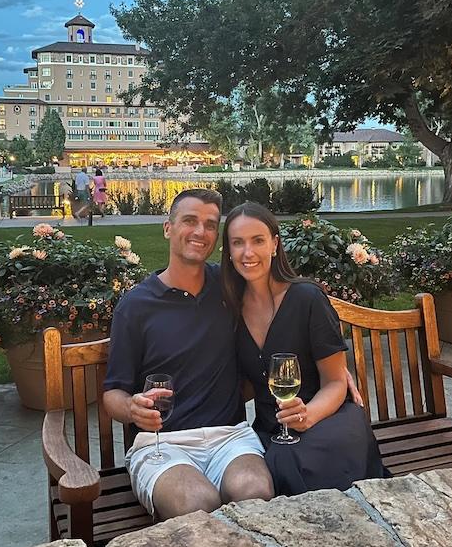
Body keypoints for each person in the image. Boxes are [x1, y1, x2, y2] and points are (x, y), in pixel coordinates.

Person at [103, 189, 274, 520]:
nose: (200, 232)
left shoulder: (229, 285)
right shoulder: (136, 307)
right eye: (190, 221)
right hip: (162, 444)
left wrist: (332, 368)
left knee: (256, 493)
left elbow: (282, 302)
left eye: (210, 225)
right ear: (168, 227)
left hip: (230, 437)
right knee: (195, 504)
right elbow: (113, 394)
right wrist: (132, 408)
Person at [221, 202, 388, 496]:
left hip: (328, 417)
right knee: (270, 464)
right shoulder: (229, 308)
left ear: (274, 244)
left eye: (258, 240)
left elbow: (336, 382)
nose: (248, 253)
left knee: (288, 460)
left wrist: (307, 415)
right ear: (229, 251)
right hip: (273, 427)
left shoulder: (306, 299)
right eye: (238, 243)